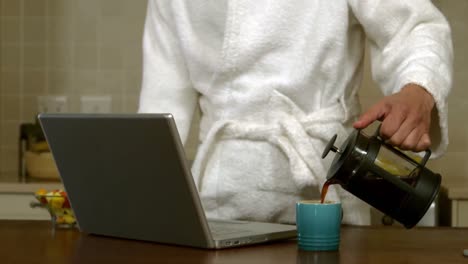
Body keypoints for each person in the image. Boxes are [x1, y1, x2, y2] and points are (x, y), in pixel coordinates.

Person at [138, 0, 453, 225]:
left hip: (325, 180)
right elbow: (159, 114)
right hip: (221, 201)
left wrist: (418, 88)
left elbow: (413, 26)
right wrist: (140, 210)